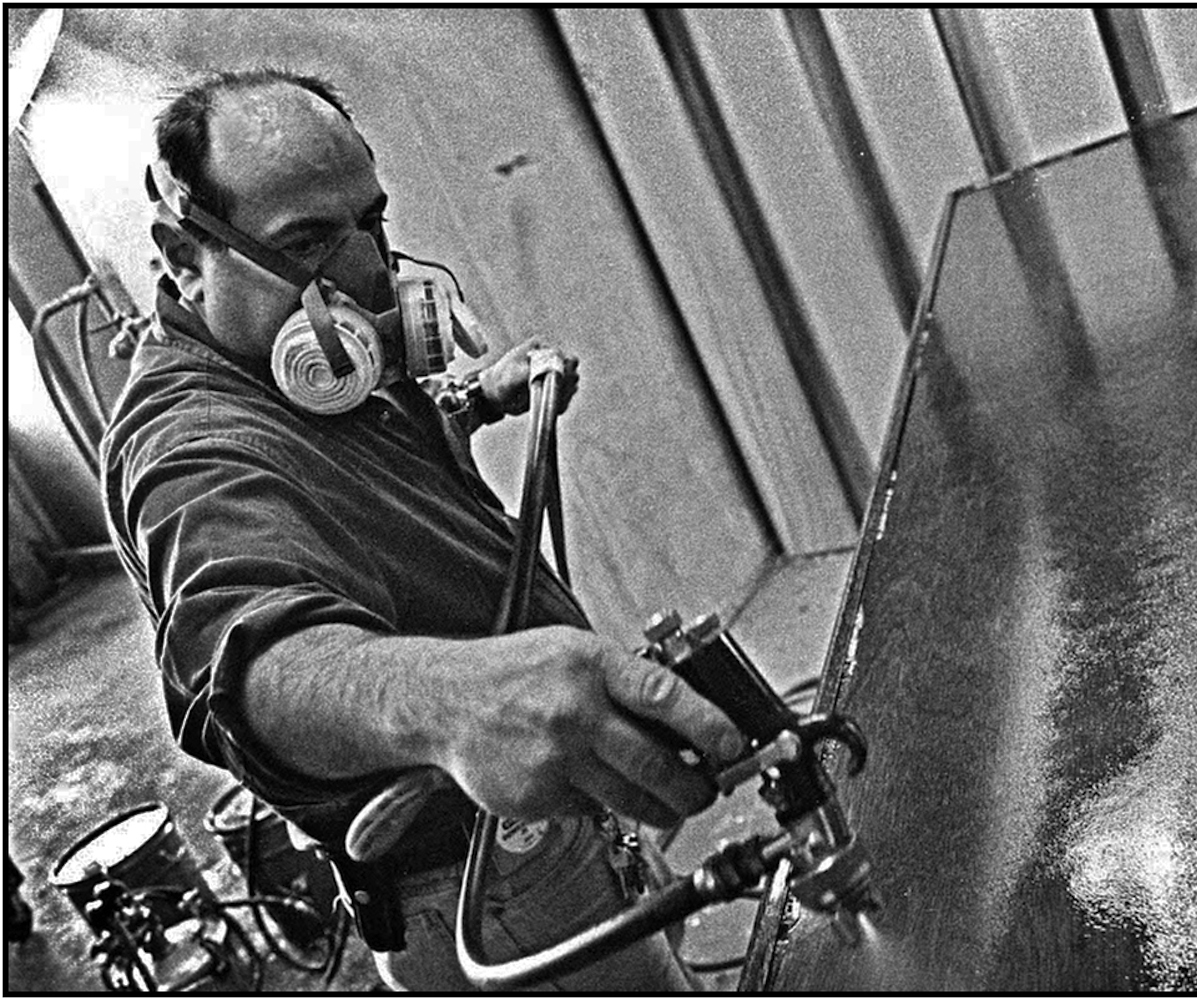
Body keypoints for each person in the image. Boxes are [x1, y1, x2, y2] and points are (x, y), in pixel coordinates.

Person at [100, 68, 746, 992]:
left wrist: (476, 396)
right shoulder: (191, 443)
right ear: (181, 254)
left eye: (371, 224)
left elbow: (368, 456)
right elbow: (257, 661)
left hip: (531, 805)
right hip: (482, 877)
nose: (366, 279)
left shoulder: (307, 363)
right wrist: (451, 700)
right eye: (311, 241)